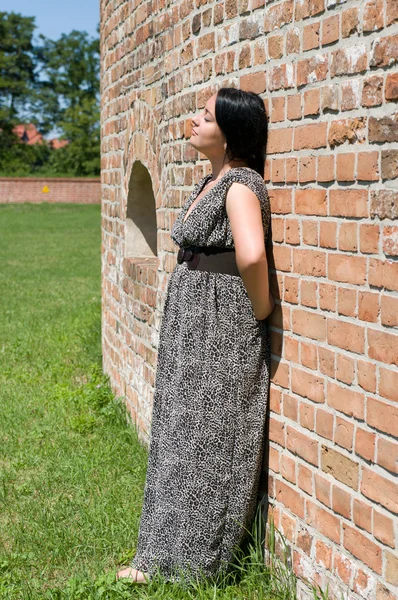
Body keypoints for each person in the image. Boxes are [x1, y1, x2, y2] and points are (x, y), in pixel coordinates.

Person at [116, 86, 275, 585]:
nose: (193, 121)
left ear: (230, 133)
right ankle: (159, 554)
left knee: (209, 436)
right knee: (180, 431)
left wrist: (261, 308)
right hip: (194, 316)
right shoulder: (214, 181)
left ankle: (196, 565)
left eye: (205, 117)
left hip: (220, 321)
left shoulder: (242, 185)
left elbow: (250, 255)